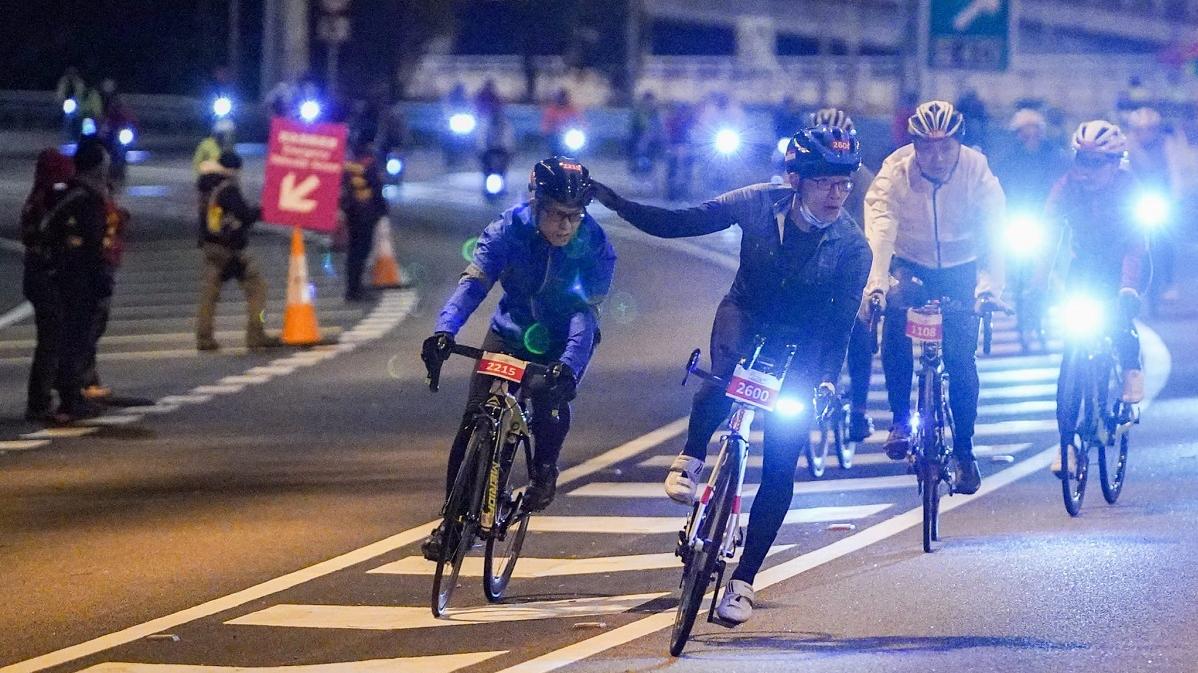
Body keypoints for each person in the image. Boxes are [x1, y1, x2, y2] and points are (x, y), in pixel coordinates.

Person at [591, 125, 871, 625]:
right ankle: (691, 456)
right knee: (723, 376)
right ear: (795, 179)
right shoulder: (756, 202)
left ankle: (742, 582)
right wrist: (615, 202)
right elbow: (678, 223)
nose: (837, 194)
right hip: (747, 313)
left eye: (845, 183)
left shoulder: (852, 247)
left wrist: (827, 381)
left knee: (783, 460)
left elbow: (840, 324)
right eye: (826, 182)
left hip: (803, 342)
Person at [419, 157, 616, 560]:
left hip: (563, 339)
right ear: (535, 204)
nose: (565, 226)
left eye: (574, 217)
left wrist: (570, 367)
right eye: (556, 215)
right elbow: (474, 285)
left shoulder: (593, 245)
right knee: (474, 415)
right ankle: (452, 522)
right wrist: (444, 331)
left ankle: (545, 469)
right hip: (508, 331)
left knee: (549, 397)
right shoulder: (507, 229)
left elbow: (584, 314)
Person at [862, 100, 1006, 496]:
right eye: (927, 147)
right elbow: (880, 231)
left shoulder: (976, 169)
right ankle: (899, 419)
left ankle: (964, 450)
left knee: (961, 359)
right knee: (894, 312)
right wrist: (877, 284)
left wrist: (990, 288)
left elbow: (996, 232)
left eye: (946, 147)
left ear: (960, 143)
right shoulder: (895, 172)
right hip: (912, 264)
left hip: (962, 267)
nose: (938, 157)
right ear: (914, 146)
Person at [1042, 121, 1146, 475]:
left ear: (1116, 163)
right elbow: (1048, 231)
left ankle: (1132, 366)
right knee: (1072, 353)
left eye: (1096, 162)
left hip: (1123, 263)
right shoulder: (1067, 187)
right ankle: (1066, 445)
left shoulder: (1129, 188)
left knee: (1119, 319)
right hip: (1085, 266)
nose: (1086, 169)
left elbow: (1135, 245)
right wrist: (1038, 280)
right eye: (1081, 160)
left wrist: (1128, 289)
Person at [810, 108, 878, 441]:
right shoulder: (797, 175)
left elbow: (877, 230)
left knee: (859, 330)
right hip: (811, 267)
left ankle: (860, 412)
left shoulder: (866, 182)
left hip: (851, 266)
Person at [46, 138, 114, 421]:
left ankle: (72, 394)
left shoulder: (82, 194)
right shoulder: (82, 196)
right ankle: (69, 398)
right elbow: (89, 242)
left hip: (76, 275)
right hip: (77, 277)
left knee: (77, 336)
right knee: (75, 337)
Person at [195, 151, 276, 351]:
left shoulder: (207, 186)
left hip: (210, 246)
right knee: (258, 289)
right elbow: (244, 215)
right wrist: (262, 211)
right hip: (231, 249)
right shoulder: (228, 188)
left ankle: (204, 337)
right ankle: (257, 331)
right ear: (234, 169)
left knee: (209, 294)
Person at [20, 149, 75, 422]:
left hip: (39, 276)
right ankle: (40, 401)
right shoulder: (44, 202)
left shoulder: (38, 198)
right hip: (44, 277)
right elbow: (44, 239)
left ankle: (44, 396)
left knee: (51, 339)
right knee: (50, 340)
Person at [1125, 106, 1188, 306]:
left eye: (1150, 129)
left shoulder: (1167, 145)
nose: (1146, 134)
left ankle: (1169, 281)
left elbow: (1175, 171)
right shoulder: (1128, 146)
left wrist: (1176, 197)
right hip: (1135, 198)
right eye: (1141, 129)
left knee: (1167, 238)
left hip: (1161, 197)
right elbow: (1122, 173)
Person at [340, 140, 387, 301]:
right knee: (361, 252)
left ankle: (352, 287)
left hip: (352, 213)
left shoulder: (347, 165)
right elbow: (376, 189)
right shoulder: (369, 164)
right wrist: (382, 211)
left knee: (353, 252)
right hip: (366, 214)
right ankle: (355, 290)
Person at [541, 89, 583, 157]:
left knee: (573, 152)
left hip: (569, 135)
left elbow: (580, 122)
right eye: (560, 97)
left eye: (564, 97)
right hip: (555, 136)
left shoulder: (572, 109)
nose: (562, 99)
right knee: (554, 150)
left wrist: (580, 129)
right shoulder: (551, 110)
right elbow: (546, 125)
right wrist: (548, 132)